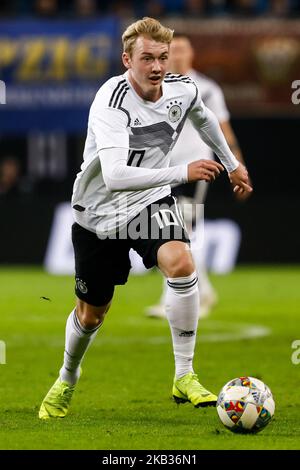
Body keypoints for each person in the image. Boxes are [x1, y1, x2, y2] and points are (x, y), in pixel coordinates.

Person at [39, 17, 252, 419]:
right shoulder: (111, 101)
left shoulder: (181, 88)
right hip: (100, 213)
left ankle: (184, 374)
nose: (157, 67)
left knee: (181, 261)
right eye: (147, 58)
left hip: (149, 202)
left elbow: (204, 118)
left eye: (162, 57)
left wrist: (232, 164)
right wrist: (183, 172)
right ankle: (67, 375)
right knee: (91, 313)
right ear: (127, 60)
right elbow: (117, 176)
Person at [145, 35, 251, 319]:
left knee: (178, 232)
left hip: (196, 170)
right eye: (172, 51)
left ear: (191, 55)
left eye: (181, 50)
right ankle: (203, 292)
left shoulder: (206, 89)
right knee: (163, 233)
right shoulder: (157, 87)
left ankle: (175, 299)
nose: (177, 55)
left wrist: (236, 165)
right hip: (162, 171)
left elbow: (223, 129)